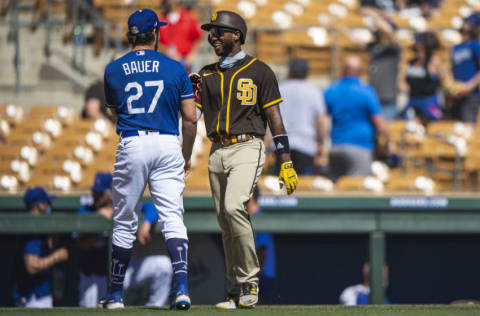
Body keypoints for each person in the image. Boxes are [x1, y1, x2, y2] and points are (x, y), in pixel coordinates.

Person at [193, 10, 298, 309]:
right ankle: (234, 290)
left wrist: (286, 161)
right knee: (225, 223)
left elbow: (275, 118)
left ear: (236, 35)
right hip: (216, 150)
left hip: (248, 146)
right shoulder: (206, 73)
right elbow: (192, 118)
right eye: (210, 31)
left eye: (218, 31)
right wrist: (185, 94)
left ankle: (250, 280)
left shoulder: (260, 71)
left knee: (234, 206)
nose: (212, 36)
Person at [102, 8, 197, 310]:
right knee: (173, 217)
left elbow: (116, 112)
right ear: (155, 34)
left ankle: (116, 295)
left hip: (133, 141)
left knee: (124, 220)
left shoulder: (113, 69)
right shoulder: (175, 67)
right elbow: (191, 119)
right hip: (169, 142)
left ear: (131, 35)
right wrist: (186, 155)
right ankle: (181, 290)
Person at [76, 172, 173, 307]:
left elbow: (152, 207)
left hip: (122, 273)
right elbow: (81, 243)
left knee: (163, 265)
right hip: (94, 277)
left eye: (100, 193)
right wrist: (99, 221)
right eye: (94, 192)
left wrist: (146, 224)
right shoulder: (86, 211)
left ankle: (154, 308)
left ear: (111, 193)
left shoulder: (122, 207)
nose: (95, 196)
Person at [324, 55, 394, 180]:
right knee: (356, 191)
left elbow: (322, 119)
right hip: (360, 148)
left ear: (343, 70)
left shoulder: (331, 90)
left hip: (336, 148)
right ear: (360, 72)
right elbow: (379, 121)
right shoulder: (366, 91)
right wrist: (389, 142)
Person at [13, 187, 69, 308]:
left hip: (36, 295)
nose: (49, 205)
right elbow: (32, 266)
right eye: (46, 202)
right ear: (37, 205)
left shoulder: (32, 225)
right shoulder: (32, 229)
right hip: (34, 297)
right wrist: (56, 257)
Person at [277, 57, 327, 175]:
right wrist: (320, 145)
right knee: (302, 186)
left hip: (282, 146)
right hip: (306, 146)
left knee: (282, 187)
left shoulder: (279, 89)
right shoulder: (314, 92)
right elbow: (320, 121)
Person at [400, 32, 447, 123]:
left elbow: (444, 81)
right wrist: (403, 85)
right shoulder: (411, 62)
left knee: (436, 122)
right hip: (413, 100)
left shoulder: (434, 61)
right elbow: (403, 82)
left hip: (429, 101)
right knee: (407, 123)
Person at [450, 13, 480, 123]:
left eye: (468, 23)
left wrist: (468, 86)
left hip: (471, 95)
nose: (465, 25)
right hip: (455, 94)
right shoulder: (455, 47)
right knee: (454, 125)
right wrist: (451, 86)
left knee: (468, 125)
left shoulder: (476, 45)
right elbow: (451, 69)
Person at [158, 0, 202, 71]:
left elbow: (197, 38)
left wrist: (191, 55)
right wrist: (167, 52)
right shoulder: (160, 20)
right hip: (167, 62)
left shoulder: (189, 18)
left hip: (186, 63)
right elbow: (157, 41)